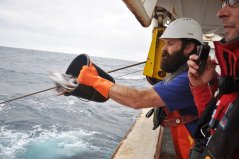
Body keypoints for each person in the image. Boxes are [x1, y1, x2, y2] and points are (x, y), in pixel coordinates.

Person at [76, 18, 203, 159]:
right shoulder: (182, 74)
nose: (163, 49)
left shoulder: (189, 79)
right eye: (165, 43)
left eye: (170, 44)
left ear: (188, 47)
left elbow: (137, 100)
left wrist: (94, 80)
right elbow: (140, 94)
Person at [187, 0, 239, 158]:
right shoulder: (231, 79)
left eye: (234, 1)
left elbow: (138, 100)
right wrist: (203, 85)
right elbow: (213, 127)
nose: (220, 13)